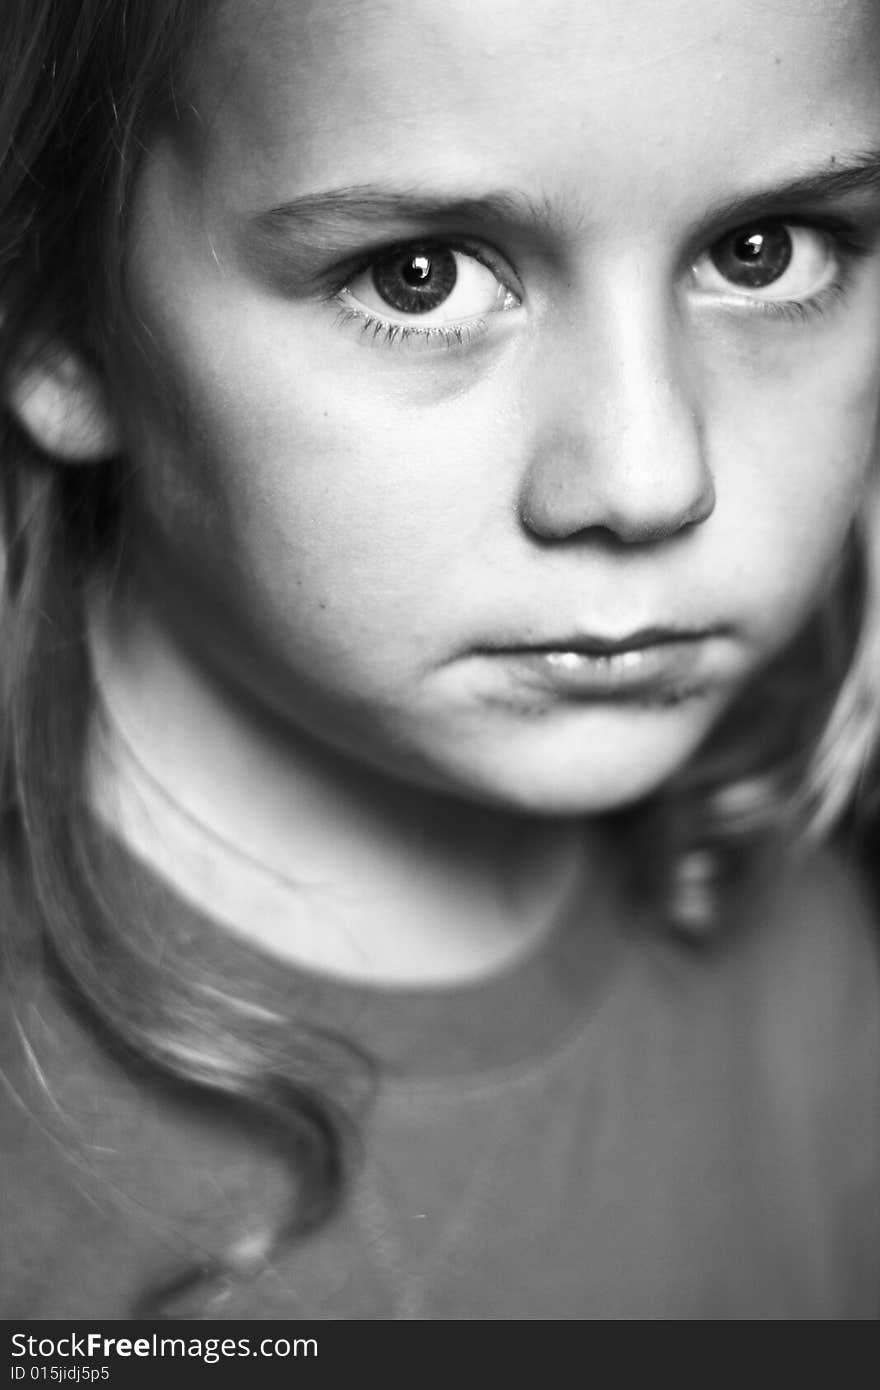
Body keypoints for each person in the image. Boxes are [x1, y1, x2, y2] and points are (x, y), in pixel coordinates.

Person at [1, 0, 879, 1321]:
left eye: (766, 253)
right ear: (52, 313)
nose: (649, 478)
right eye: (424, 274)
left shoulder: (809, 956)